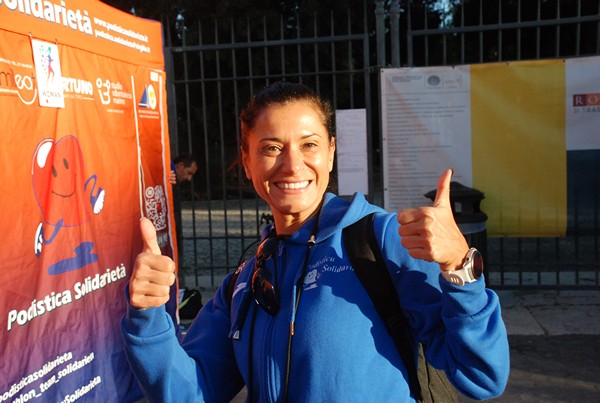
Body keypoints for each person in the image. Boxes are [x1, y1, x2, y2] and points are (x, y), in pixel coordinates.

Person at [122, 81, 509, 402]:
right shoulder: (244, 281)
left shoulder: (381, 241)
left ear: (330, 153)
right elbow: (186, 394)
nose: (292, 165)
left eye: (309, 144)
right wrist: (148, 315)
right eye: (271, 148)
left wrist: (461, 268)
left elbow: (482, 375)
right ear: (246, 161)